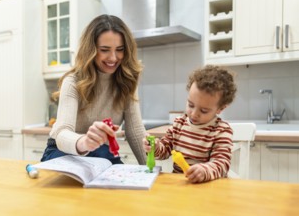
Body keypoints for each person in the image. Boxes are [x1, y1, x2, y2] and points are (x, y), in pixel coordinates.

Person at [41, 14, 147, 165]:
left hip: (101, 152)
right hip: (62, 150)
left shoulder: (128, 81)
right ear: (90, 50)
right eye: (105, 50)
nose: (113, 57)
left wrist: (150, 169)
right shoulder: (72, 81)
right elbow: (62, 132)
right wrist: (85, 142)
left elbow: (135, 131)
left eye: (120, 49)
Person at [143, 65, 237, 183]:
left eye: (203, 111)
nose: (193, 114)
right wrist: (155, 147)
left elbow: (222, 163)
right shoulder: (179, 124)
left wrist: (204, 171)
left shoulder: (221, 131)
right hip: (181, 185)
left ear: (220, 109)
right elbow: (164, 151)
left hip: (207, 187)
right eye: (191, 105)